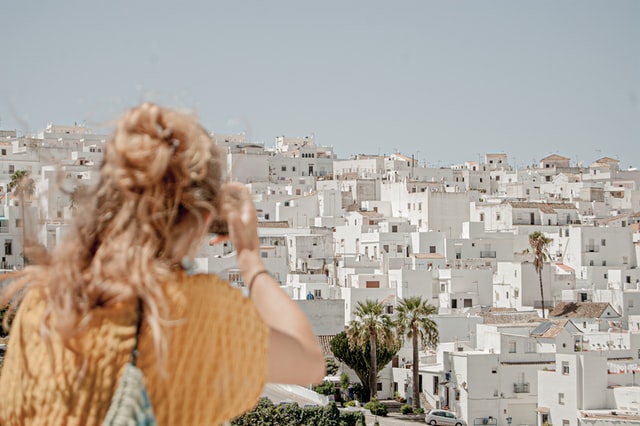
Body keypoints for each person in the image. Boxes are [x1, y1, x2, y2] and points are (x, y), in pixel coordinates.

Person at [0, 103, 325, 425]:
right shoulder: (200, 311)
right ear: (204, 221)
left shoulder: (41, 305)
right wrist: (250, 257)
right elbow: (308, 361)